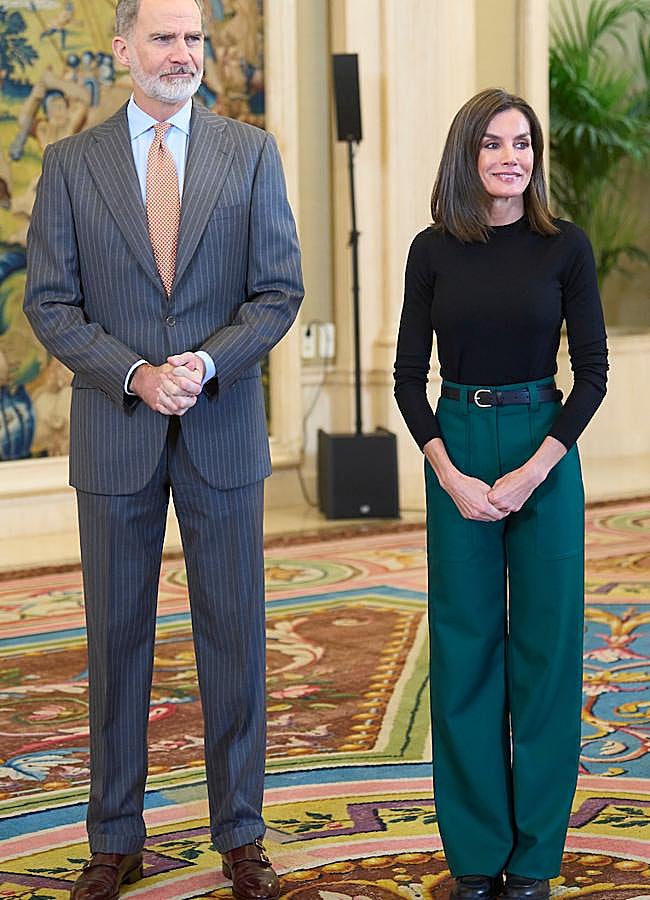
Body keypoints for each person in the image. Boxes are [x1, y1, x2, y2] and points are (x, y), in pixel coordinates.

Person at [23, 0, 303, 898]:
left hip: (221, 429)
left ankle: (242, 837)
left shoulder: (250, 153)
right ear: (122, 50)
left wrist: (206, 362)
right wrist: (137, 373)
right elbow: (50, 303)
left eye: (193, 38)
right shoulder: (69, 166)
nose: (182, 53)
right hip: (118, 432)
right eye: (163, 38)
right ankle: (114, 840)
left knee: (234, 637)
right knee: (116, 640)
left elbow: (277, 290)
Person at [394, 88, 607, 900]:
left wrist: (533, 468)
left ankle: (536, 861)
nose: (510, 157)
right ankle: (477, 857)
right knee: (465, 649)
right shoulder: (432, 249)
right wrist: (449, 472)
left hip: (544, 448)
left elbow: (592, 373)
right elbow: (409, 379)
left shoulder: (567, 248)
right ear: (467, 156)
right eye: (492, 144)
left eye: (522, 143)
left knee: (547, 654)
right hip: (457, 442)